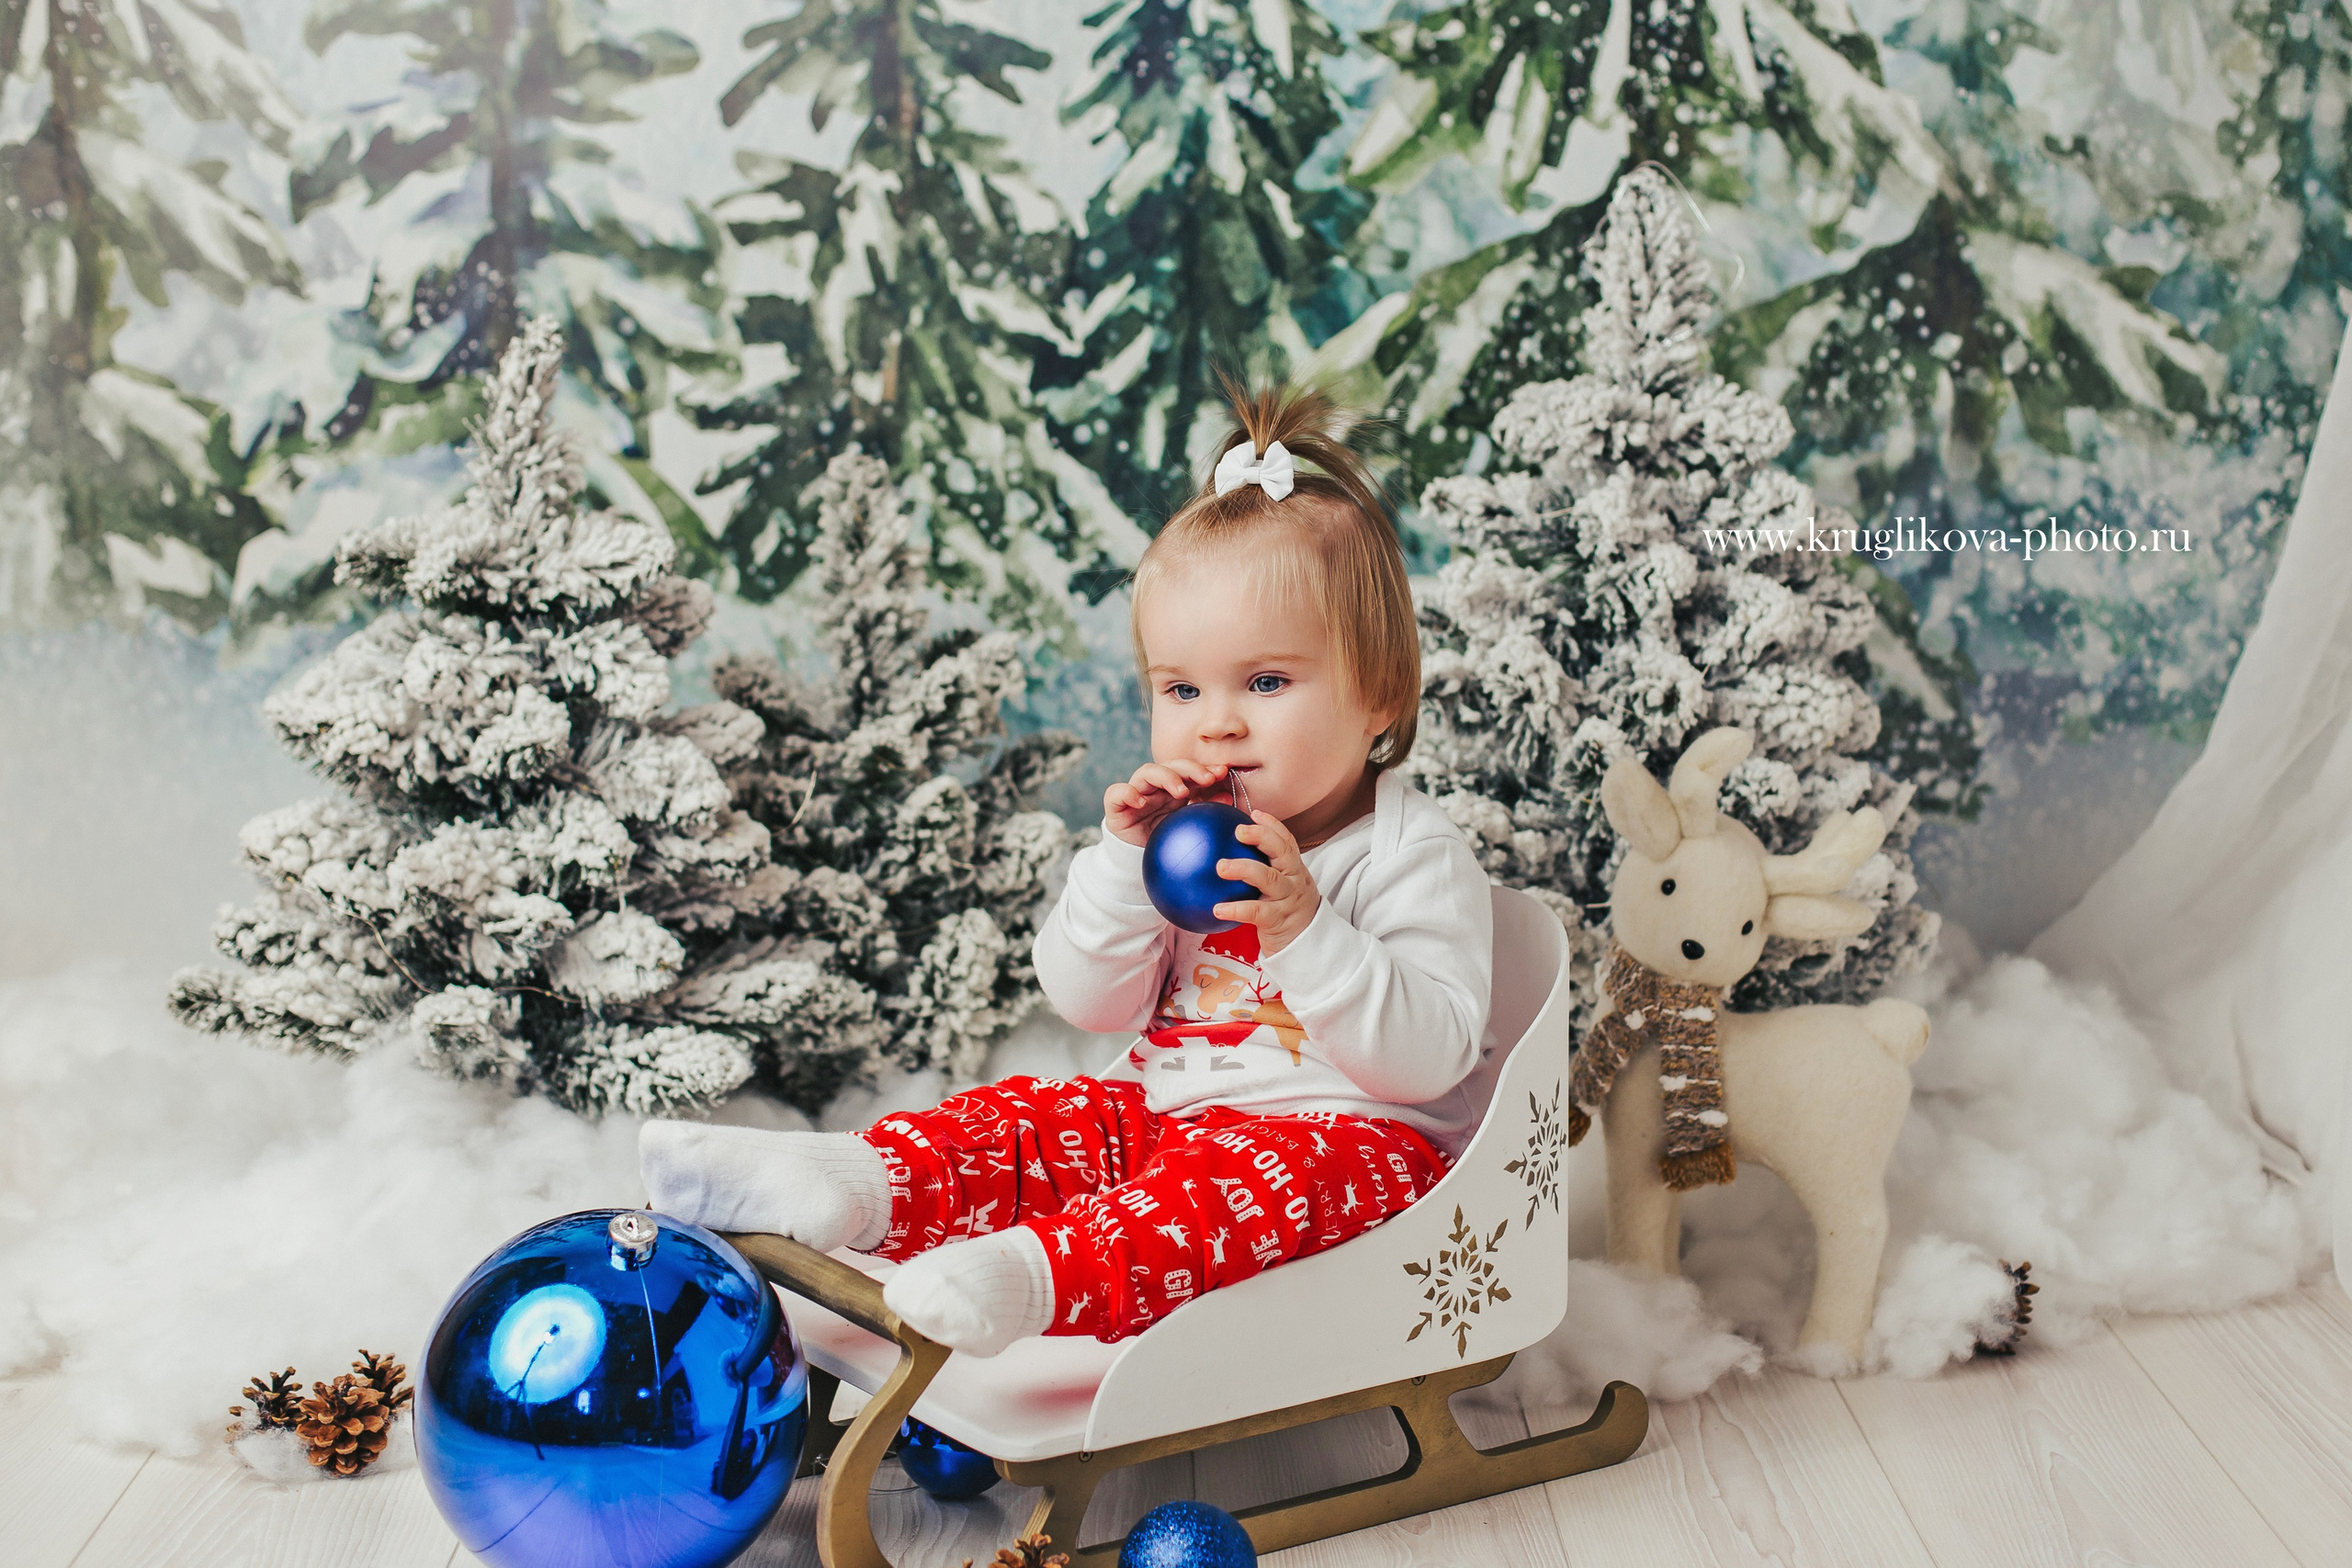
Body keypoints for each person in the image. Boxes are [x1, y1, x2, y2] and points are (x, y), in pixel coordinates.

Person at [639, 384, 1495, 1354]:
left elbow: (1430, 1060)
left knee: (1224, 1194)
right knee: (1034, 1119)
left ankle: (1029, 1277)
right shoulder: (1186, 836)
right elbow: (1090, 1001)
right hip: (1165, 1111)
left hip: (1350, 1153)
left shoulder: (1410, 854)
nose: (1216, 723)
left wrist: (1306, 928)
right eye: (1181, 688)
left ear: (1380, 694)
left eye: (1265, 681)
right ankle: (848, 1184)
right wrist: (1122, 862)